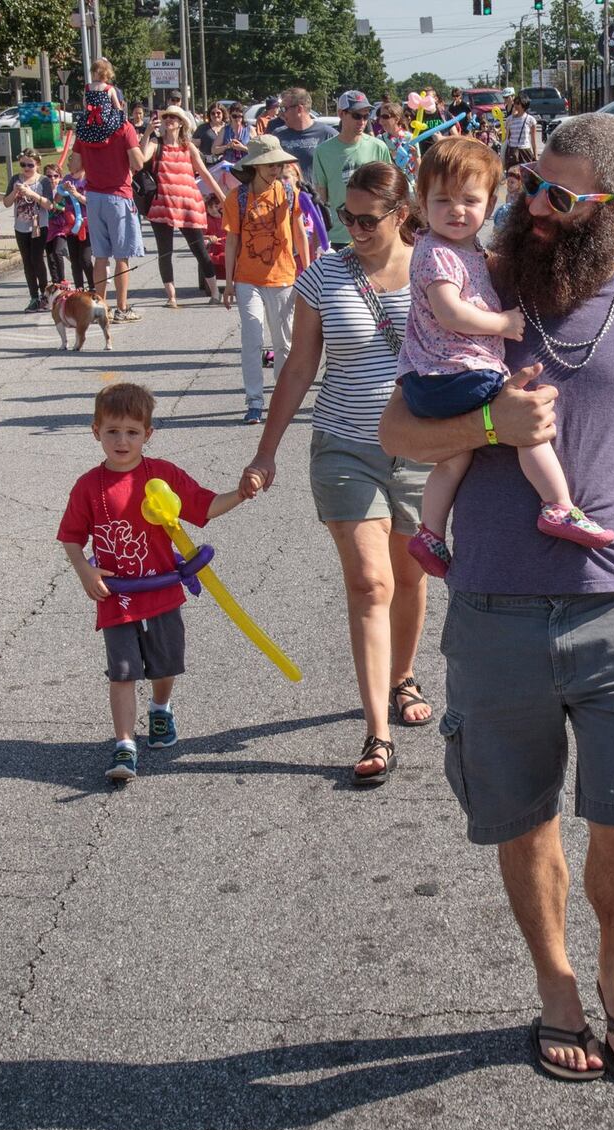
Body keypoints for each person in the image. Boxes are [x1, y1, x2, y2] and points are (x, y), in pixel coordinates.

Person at [379, 113, 614, 1082]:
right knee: (519, 816)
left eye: (560, 197)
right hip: (490, 609)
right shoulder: (463, 287)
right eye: (531, 182)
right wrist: (489, 419)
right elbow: (399, 433)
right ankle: (555, 983)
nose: (533, 207)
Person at [240, 162, 435, 785]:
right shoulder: (324, 273)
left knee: (409, 575)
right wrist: (266, 450)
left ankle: (402, 674)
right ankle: (377, 730)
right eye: (342, 217)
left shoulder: (437, 269)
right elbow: (299, 368)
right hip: (345, 447)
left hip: (421, 448)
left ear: (401, 215)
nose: (351, 229)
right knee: (370, 583)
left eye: (365, 219)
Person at [399, 137, 612, 580]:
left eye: (470, 200)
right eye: (442, 200)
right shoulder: (438, 253)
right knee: (526, 422)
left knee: (454, 458)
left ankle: (430, 533)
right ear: (421, 202)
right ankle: (558, 507)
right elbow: (449, 311)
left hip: (434, 377)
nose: (457, 211)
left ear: (491, 202)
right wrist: (503, 323)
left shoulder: (463, 250)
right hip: (457, 373)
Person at [57, 382, 255, 782]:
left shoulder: (162, 476)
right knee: (123, 671)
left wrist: (241, 493)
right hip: (117, 597)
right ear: (96, 431)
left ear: (148, 434)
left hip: (162, 591)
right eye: (112, 431)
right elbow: (71, 537)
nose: (122, 440)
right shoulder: (87, 486)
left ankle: (161, 710)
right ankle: (125, 744)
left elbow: (204, 507)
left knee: (165, 667)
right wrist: (86, 571)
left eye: (132, 432)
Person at [223, 135, 311, 425]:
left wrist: (308, 271)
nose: (275, 169)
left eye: (278, 163)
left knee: (283, 343)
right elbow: (232, 242)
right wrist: (228, 283)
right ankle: (254, 401)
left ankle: (282, 398)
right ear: (255, 165)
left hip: (284, 277)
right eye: (269, 164)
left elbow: (299, 233)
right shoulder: (237, 198)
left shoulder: (289, 192)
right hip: (247, 279)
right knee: (252, 337)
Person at [75, 84, 161, 323]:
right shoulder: (124, 128)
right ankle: (121, 308)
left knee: (100, 257)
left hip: (93, 197)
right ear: (119, 104)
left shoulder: (84, 129)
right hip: (119, 196)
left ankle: (99, 307)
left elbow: (74, 168)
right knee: (122, 256)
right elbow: (137, 163)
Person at [146, 106, 223, 307]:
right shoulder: (156, 143)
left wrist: (223, 197)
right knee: (165, 252)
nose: (169, 120)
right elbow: (140, 160)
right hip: (163, 204)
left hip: (189, 204)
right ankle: (171, 296)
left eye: (174, 117)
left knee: (199, 249)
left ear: (181, 123)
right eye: (167, 117)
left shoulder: (188, 146)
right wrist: (147, 133)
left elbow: (205, 173)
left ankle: (215, 293)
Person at [312, 91, 392, 248]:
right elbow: (321, 198)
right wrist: (317, 238)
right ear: (341, 114)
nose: (362, 121)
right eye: (356, 116)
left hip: (374, 232)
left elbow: (388, 192)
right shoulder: (323, 151)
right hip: (340, 236)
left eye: (366, 116)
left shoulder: (378, 147)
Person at [4, 148, 58, 311]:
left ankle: (44, 294)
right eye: (23, 165)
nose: (26, 169)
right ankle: (33, 297)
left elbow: (50, 205)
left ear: (37, 165)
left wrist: (31, 194)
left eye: (30, 165)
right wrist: (15, 191)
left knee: (37, 259)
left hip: (39, 226)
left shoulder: (42, 181)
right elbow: (6, 203)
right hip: (21, 227)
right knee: (27, 262)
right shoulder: (15, 179)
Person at [266, 87, 337, 187]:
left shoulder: (327, 134)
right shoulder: (277, 135)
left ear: (299, 109)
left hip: (314, 200)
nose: (281, 113)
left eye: (284, 109)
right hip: (285, 199)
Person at [51, 150, 94, 291]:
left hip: (86, 225)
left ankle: (93, 287)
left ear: (81, 163)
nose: (68, 164)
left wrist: (76, 193)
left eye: (72, 161)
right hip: (70, 225)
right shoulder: (67, 179)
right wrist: (61, 190)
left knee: (85, 259)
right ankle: (80, 288)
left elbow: (90, 202)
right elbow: (57, 199)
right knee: (75, 261)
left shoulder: (89, 179)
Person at [504, 94, 540, 170]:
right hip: (512, 151)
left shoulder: (531, 120)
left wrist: (535, 155)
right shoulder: (509, 119)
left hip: (525, 151)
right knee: (512, 176)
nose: (515, 105)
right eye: (515, 103)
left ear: (524, 105)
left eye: (518, 103)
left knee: (525, 176)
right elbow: (507, 137)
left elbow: (533, 140)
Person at [490, 165, 523, 236]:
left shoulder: (520, 196)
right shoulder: (508, 195)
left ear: (519, 183)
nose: (509, 184)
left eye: (512, 182)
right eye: (508, 182)